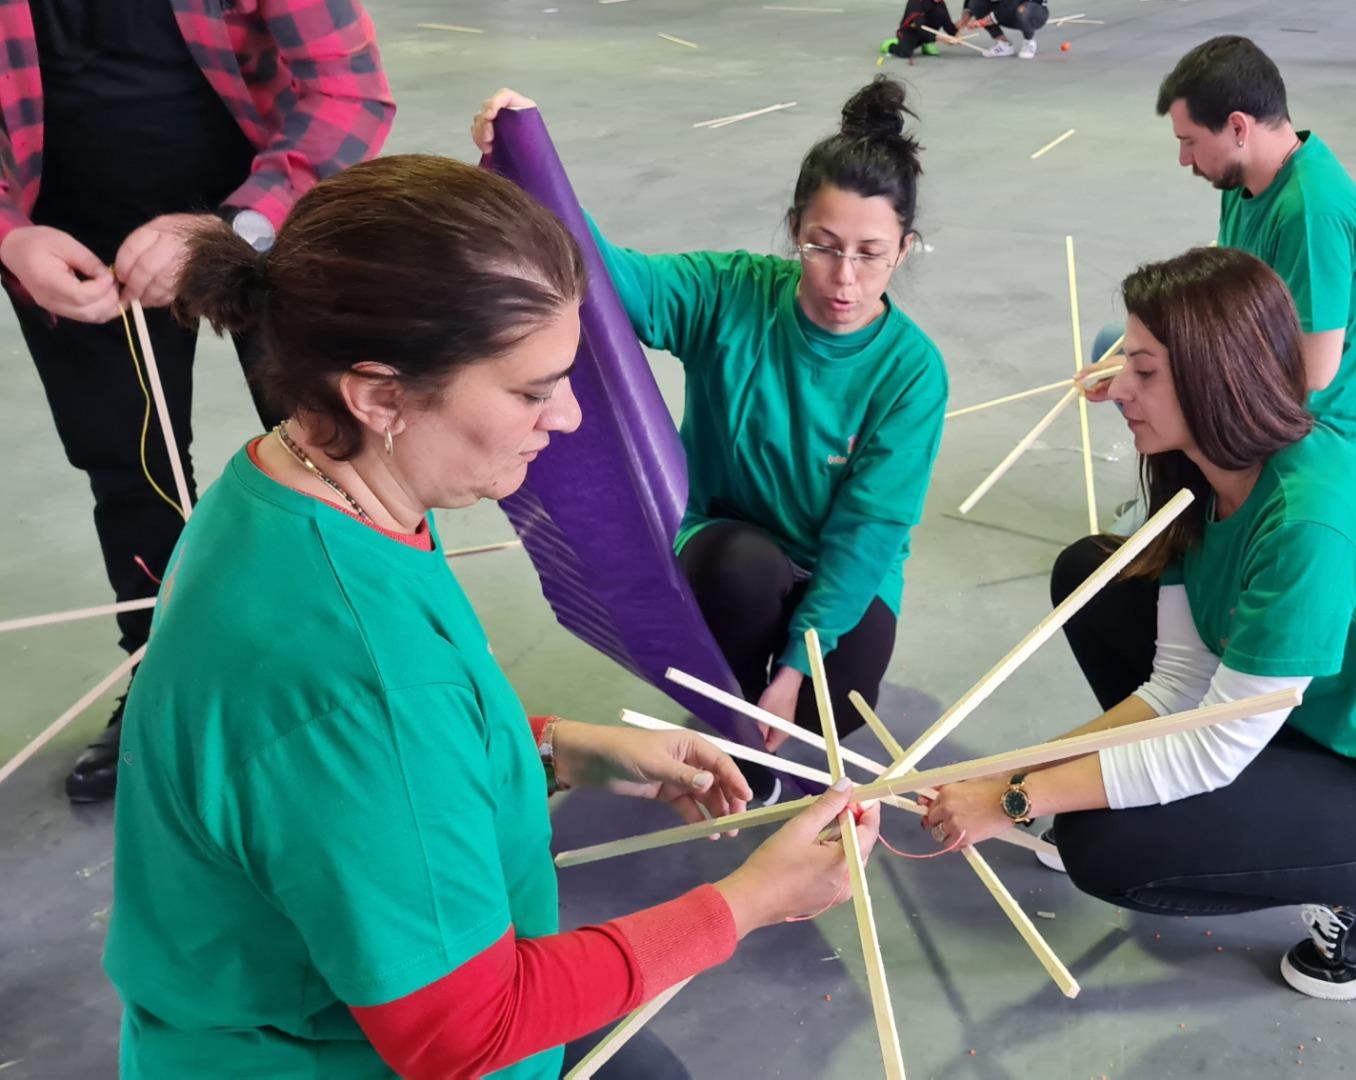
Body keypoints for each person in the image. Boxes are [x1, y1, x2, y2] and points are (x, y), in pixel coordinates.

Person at [103, 155, 882, 1079]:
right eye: (531, 389)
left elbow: (342, 782)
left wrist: (548, 748)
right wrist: (751, 900)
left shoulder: (296, 486)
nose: (569, 416)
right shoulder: (362, 677)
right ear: (380, 393)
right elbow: (460, 1031)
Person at [926, 247, 1356, 1001]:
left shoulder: (1309, 520)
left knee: (1104, 847)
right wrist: (1016, 772)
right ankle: (1246, 811)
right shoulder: (1204, 476)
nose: (1117, 391)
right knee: (1094, 574)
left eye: (1143, 370)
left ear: (1214, 376)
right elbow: (1179, 684)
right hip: (1307, 719)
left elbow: (1211, 747)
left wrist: (1018, 800)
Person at [474, 78, 947, 801]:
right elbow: (605, 279)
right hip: (732, 545)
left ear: (905, 248)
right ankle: (733, 726)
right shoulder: (731, 293)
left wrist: (792, 673)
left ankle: (762, 695)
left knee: (837, 704)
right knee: (738, 568)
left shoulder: (911, 372)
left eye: (871, 254)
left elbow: (867, 534)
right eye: (823, 247)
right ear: (796, 229)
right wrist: (523, 171)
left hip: (840, 568)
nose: (844, 280)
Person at [0, 0, 394, 802]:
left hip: (271, 219)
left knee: (337, 444)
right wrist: (8, 234)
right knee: (129, 464)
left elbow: (350, 94)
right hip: (71, 242)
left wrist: (237, 225)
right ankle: (167, 687)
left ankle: (386, 668)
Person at [1155, 36, 1356, 453]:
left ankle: (1201, 501)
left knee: (1151, 379)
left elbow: (1313, 372)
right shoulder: (1244, 176)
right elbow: (1231, 293)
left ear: (1238, 127)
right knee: (1128, 348)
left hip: (1307, 423)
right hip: (1264, 384)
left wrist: (1172, 366)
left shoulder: (1311, 213)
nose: (1185, 160)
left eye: (1189, 141)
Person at [961, 0, 1048, 59]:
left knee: (1023, 11)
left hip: (1035, 12)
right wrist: (964, 19)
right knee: (976, 3)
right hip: (1008, 11)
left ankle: (1029, 42)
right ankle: (1003, 44)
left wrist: (983, 22)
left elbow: (1011, 4)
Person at [882, 0, 961, 62]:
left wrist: (957, 34)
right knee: (905, 53)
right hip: (910, 31)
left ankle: (926, 43)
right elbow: (920, 27)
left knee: (940, 13)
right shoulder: (916, 2)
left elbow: (947, 23)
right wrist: (943, 38)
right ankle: (890, 45)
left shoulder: (941, 4)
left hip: (927, 33)